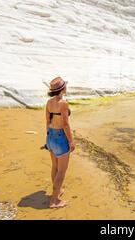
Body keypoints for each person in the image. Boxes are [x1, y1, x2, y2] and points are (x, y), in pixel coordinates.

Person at [45, 77, 75, 208]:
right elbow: (65, 124)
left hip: (50, 135)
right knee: (62, 170)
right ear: (63, 88)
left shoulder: (49, 102)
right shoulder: (63, 103)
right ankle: (54, 200)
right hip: (60, 137)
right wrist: (71, 141)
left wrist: (48, 138)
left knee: (55, 167)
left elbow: (47, 121)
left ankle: (58, 190)